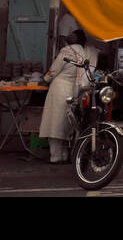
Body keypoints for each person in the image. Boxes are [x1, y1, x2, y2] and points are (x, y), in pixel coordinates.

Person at [40, 28, 96, 164]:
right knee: (67, 124)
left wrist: (45, 80)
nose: (68, 35)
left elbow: (54, 69)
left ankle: (55, 156)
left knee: (54, 123)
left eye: (72, 34)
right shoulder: (83, 52)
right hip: (73, 91)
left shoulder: (66, 51)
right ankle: (65, 155)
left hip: (59, 89)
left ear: (76, 38)